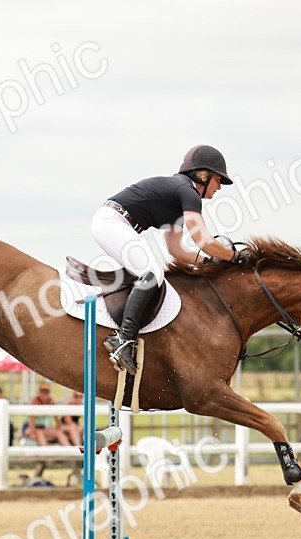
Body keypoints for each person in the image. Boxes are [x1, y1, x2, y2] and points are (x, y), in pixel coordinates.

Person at [92, 144, 254, 374]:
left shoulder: (178, 198)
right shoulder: (188, 193)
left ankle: (124, 338)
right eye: (218, 180)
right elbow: (203, 240)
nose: (219, 187)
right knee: (152, 273)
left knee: (152, 271)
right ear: (203, 175)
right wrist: (235, 256)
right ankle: (123, 339)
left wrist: (208, 262)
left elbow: (176, 249)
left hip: (112, 221)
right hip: (112, 222)